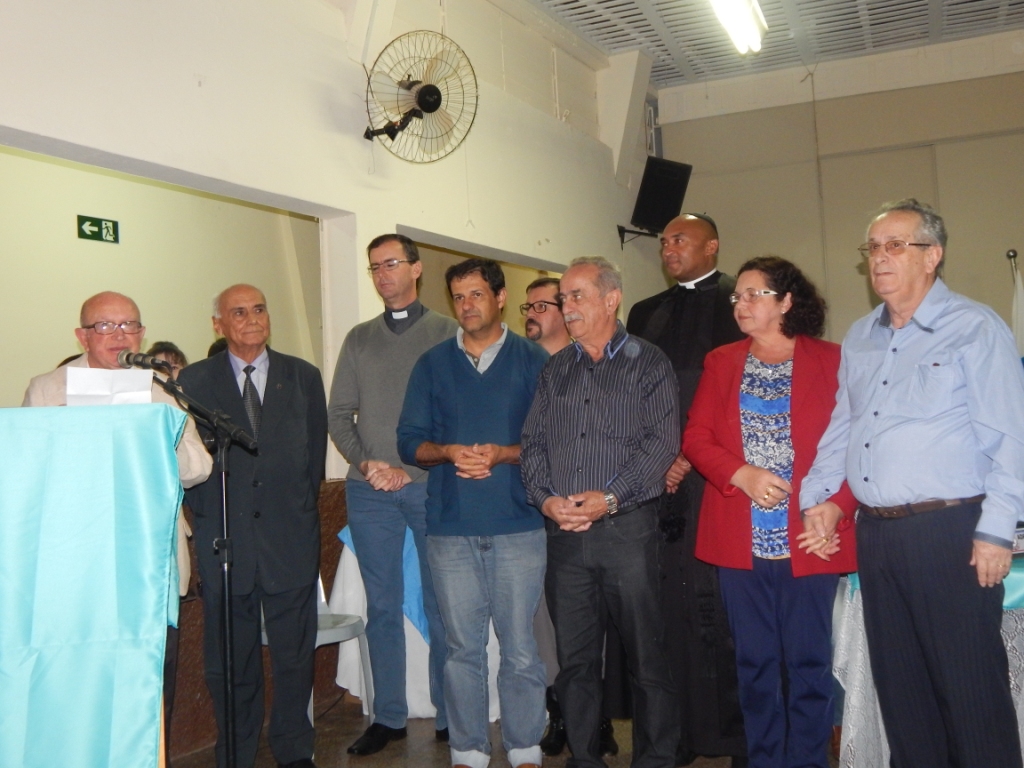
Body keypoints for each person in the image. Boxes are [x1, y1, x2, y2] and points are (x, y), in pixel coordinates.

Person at [801, 199, 1024, 768]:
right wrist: (821, 500)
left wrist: (997, 530)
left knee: (970, 693)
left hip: (949, 531)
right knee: (903, 697)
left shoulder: (975, 327)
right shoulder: (861, 336)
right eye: (874, 247)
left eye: (896, 245)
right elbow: (844, 426)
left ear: (933, 256)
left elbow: (1012, 435)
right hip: (877, 536)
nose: (880, 257)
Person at [683, 256, 858, 768]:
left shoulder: (835, 360)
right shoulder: (721, 362)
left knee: (809, 664)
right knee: (754, 665)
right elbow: (696, 438)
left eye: (753, 294)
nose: (740, 304)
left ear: (786, 301)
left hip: (811, 538)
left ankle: (807, 761)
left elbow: (860, 447)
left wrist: (839, 507)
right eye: (737, 296)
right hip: (741, 542)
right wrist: (741, 474)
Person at [23, 293, 212, 760]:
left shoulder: (162, 390)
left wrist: (158, 438)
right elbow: (28, 471)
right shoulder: (47, 390)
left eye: (129, 325)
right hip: (76, 562)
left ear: (141, 334)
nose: (119, 335)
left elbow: (198, 467)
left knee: (150, 679)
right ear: (82, 336)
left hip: (148, 559)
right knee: (80, 682)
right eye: (105, 326)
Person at [521, 256, 680, 768]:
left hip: (627, 532)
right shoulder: (555, 369)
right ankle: (585, 759)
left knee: (646, 658)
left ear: (611, 299)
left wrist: (608, 498)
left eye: (577, 296)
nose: (566, 307)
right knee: (575, 663)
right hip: (565, 537)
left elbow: (662, 444)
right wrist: (546, 499)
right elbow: (533, 444)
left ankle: (654, 760)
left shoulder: (649, 362)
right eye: (563, 298)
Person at [397, 258, 549, 768]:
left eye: (477, 294)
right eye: (459, 297)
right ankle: (467, 750)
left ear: (500, 297)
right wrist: (447, 451)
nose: (467, 305)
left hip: (518, 525)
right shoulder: (432, 364)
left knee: (520, 646)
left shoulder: (534, 361)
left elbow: (552, 441)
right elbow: (409, 442)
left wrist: (504, 454)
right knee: (461, 648)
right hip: (450, 529)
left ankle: (525, 747)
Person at [178, 284, 328, 768]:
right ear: (218, 325)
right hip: (226, 543)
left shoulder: (302, 376)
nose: (252, 319)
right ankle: (236, 753)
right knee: (231, 663)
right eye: (238, 312)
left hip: (290, 541)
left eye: (259, 309)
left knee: (294, 658)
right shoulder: (193, 381)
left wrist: (298, 515)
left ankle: (294, 750)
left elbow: (314, 461)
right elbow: (189, 463)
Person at [327, 234, 457, 755]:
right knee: (381, 606)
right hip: (370, 491)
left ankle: (450, 713)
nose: (383, 275)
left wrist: (412, 467)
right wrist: (367, 463)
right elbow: (339, 414)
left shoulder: (446, 333)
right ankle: (388, 716)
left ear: (416, 269)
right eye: (375, 267)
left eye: (391, 264)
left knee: (440, 603)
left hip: (428, 486)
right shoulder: (359, 339)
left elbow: (456, 413)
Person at [625, 213, 747, 766]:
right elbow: (635, 398)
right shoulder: (645, 312)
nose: (668, 248)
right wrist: (656, 457)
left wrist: (690, 453)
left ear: (712, 246)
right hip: (657, 485)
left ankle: (739, 738)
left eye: (680, 239)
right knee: (665, 608)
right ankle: (676, 737)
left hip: (719, 480)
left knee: (720, 609)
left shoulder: (739, 303)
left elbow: (739, 393)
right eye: (665, 241)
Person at [521, 277, 618, 759]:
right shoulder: (525, 364)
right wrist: (545, 498)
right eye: (529, 306)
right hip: (539, 510)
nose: (532, 314)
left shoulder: (598, 362)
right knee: (547, 624)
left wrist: (593, 501)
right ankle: (560, 712)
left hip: (600, 516)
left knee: (594, 627)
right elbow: (530, 440)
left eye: (545, 304)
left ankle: (597, 718)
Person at [522, 277, 572, 355]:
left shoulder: (587, 360)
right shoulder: (515, 357)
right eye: (528, 308)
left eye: (541, 306)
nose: (529, 314)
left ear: (565, 312)